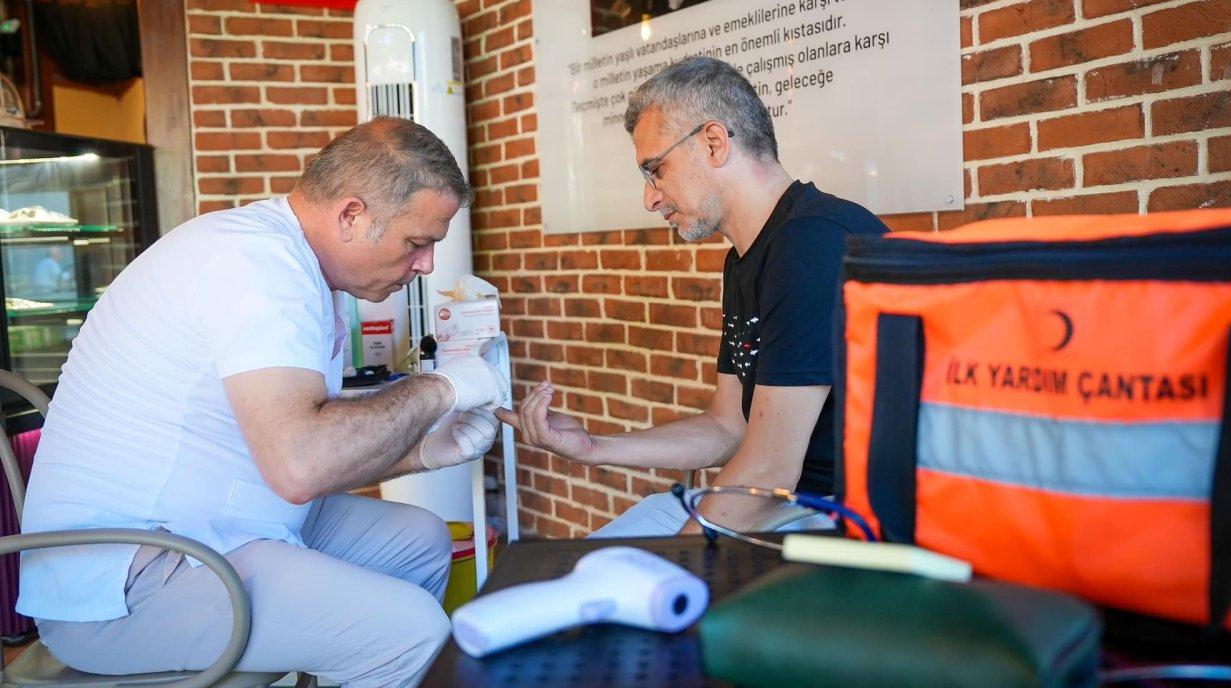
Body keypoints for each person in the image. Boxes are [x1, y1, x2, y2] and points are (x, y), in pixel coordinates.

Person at [18, 117, 509, 687]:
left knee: (421, 543)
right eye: (416, 243)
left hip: (216, 522)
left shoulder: (293, 263)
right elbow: (301, 466)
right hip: (127, 575)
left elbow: (299, 450)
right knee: (410, 631)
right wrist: (445, 388)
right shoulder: (256, 266)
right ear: (351, 215)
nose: (425, 265)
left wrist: (422, 452)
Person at [498, 57, 887, 537]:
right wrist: (594, 447)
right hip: (781, 504)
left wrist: (674, 564)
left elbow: (769, 470)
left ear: (714, 142)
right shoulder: (747, 257)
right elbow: (728, 427)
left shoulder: (811, 244)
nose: (651, 199)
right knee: (587, 566)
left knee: (605, 583)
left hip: (839, 514)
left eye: (656, 169)